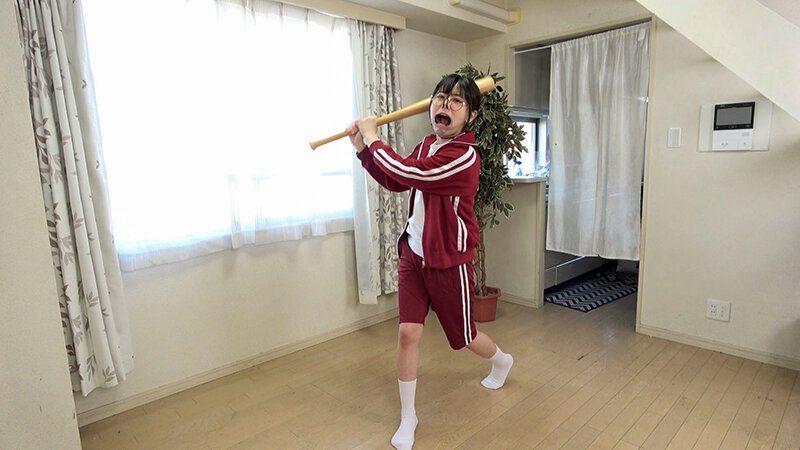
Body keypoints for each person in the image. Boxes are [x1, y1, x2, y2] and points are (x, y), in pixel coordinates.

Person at [346, 74, 514, 450]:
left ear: (470, 116)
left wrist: (373, 138)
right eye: (440, 97)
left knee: (465, 337)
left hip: (449, 261)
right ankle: (409, 416)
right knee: (408, 333)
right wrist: (363, 151)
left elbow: (413, 173)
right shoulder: (426, 145)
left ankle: (502, 360)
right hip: (414, 253)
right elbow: (398, 181)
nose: (445, 105)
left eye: (457, 101)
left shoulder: (464, 156)